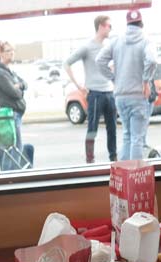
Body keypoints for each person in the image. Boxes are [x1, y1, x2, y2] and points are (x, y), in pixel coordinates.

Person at [96, 9, 156, 161]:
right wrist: (145, 81)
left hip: (120, 96)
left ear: (127, 23)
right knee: (137, 139)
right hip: (137, 95)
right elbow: (152, 60)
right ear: (141, 23)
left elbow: (99, 60)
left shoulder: (116, 40)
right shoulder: (146, 40)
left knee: (127, 136)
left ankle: (124, 175)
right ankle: (134, 177)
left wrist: (113, 78)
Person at [63, 15, 117, 163]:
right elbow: (67, 63)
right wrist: (78, 85)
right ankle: (90, 160)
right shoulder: (87, 47)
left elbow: (112, 65)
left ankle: (113, 158)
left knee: (112, 129)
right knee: (92, 128)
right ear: (100, 26)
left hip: (109, 92)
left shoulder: (110, 46)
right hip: (95, 94)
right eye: (108, 25)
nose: (110, 29)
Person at [0, 40, 28, 171]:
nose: (11, 53)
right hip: (11, 113)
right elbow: (14, 93)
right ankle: (9, 176)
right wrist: (18, 88)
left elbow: (24, 83)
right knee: (14, 148)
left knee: (14, 148)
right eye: (8, 51)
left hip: (15, 113)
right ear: (0, 53)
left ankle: (10, 175)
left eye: (12, 50)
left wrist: (19, 86)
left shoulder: (8, 70)